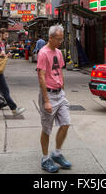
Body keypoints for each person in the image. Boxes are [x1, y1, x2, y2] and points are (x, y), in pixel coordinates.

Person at [37, 24, 71, 173]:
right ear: (50, 38)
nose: (60, 42)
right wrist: (46, 100)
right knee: (47, 129)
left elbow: (60, 72)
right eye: (58, 39)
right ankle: (45, 159)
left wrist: (62, 90)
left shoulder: (58, 52)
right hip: (49, 95)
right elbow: (41, 77)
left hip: (60, 94)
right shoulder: (43, 53)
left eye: (61, 39)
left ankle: (57, 153)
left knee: (66, 123)